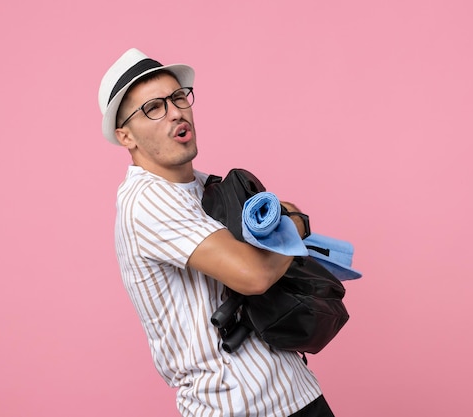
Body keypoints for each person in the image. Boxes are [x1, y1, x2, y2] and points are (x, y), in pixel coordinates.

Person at [98, 48, 335, 417]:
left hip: (297, 392)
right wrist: (296, 223)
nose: (176, 111)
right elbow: (254, 274)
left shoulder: (209, 186)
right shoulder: (145, 201)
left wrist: (283, 227)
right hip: (236, 406)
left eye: (178, 97)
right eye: (153, 107)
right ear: (125, 136)